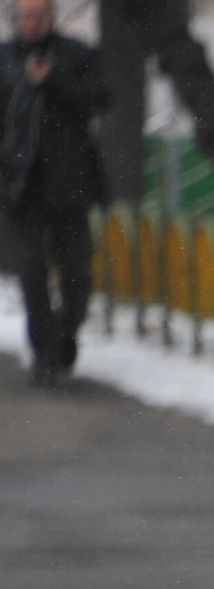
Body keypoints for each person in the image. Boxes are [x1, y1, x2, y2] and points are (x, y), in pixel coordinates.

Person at [1, 0, 109, 387]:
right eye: (25, 16)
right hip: (20, 186)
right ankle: (44, 354)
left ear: (51, 18)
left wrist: (53, 81)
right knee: (31, 274)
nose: (31, 23)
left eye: (39, 16)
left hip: (69, 184)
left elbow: (100, 98)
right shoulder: (5, 59)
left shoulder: (75, 55)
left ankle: (66, 334)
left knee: (77, 273)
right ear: (17, 19)